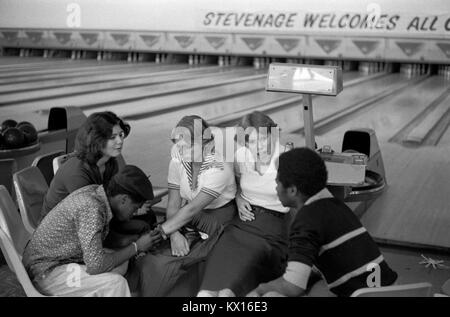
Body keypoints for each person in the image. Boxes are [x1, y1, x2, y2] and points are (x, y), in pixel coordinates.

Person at [247, 148, 398, 297]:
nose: (276, 188)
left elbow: (293, 287)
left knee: (270, 296)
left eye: (277, 182)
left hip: (363, 295)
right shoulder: (335, 205)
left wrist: (259, 289)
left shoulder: (306, 220)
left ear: (292, 190)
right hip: (390, 290)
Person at [126, 115, 237, 297]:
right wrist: (174, 234)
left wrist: (163, 231)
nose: (181, 149)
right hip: (184, 217)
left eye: (188, 145)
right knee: (150, 258)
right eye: (178, 144)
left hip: (216, 221)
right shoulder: (177, 162)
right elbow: (173, 203)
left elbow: (192, 209)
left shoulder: (219, 168)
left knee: (164, 261)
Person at [22, 165, 162, 297]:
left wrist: (132, 243)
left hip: (58, 260)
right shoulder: (92, 208)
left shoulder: (96, 193)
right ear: (124, 199)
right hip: (45, 272)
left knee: (120, 264)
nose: (136, 212)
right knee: (115, 284)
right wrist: (137, 247)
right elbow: (96, 265)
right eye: (135, 207)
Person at [198, 111, 290, 297]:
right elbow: (239, 185)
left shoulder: (286, 157)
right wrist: (239, 199)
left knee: (227, 293)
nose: (258, 147)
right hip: (241, 225)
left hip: (271, 231)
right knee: (206, 293)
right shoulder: (242, 155)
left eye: (263, 139)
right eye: (251, 142)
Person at [40, 111, 156, 246]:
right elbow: (89, 220)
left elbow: (111, 197)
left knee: (147, 218)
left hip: (99, 217)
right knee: (133, 237)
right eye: (112, 137)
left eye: (121, 135)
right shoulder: (77, 173)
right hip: (63, 232)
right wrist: (129, 243)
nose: (120, 141)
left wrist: (134, 205)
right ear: (96, 140)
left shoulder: (110, 162)